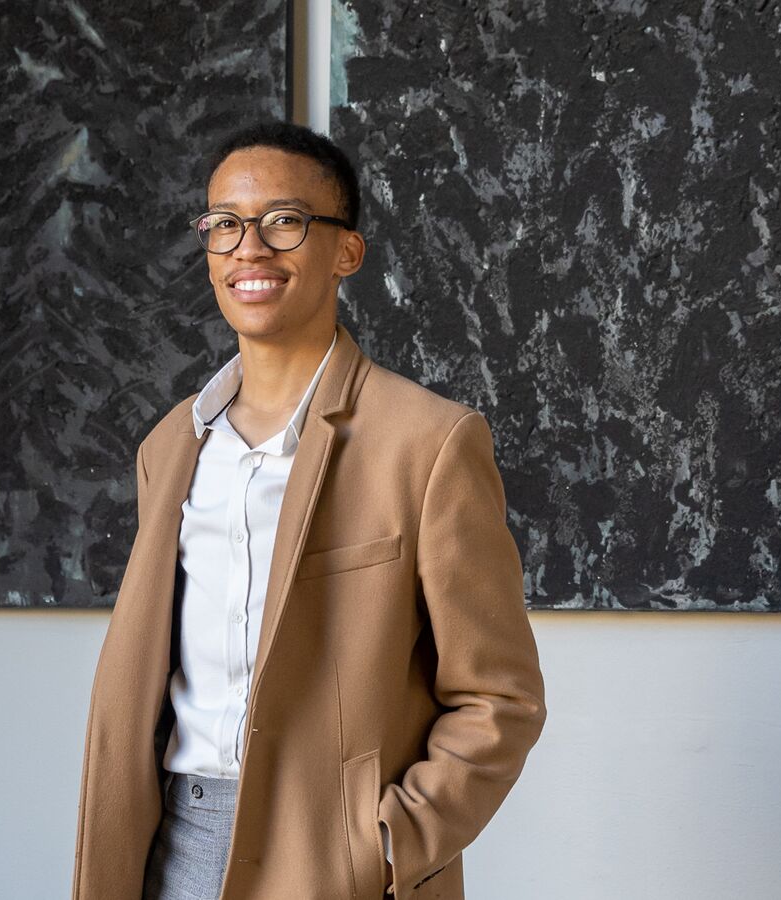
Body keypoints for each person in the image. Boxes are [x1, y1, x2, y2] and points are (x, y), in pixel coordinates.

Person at [71, 122, 547, 900]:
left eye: (283, 222)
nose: (248, 248)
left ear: (346, 252)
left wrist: (389, 843)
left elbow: (501, 696)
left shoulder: (428, 442)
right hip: (167, 841)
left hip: (331, 858)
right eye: (225, 225)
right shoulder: (171, 445)